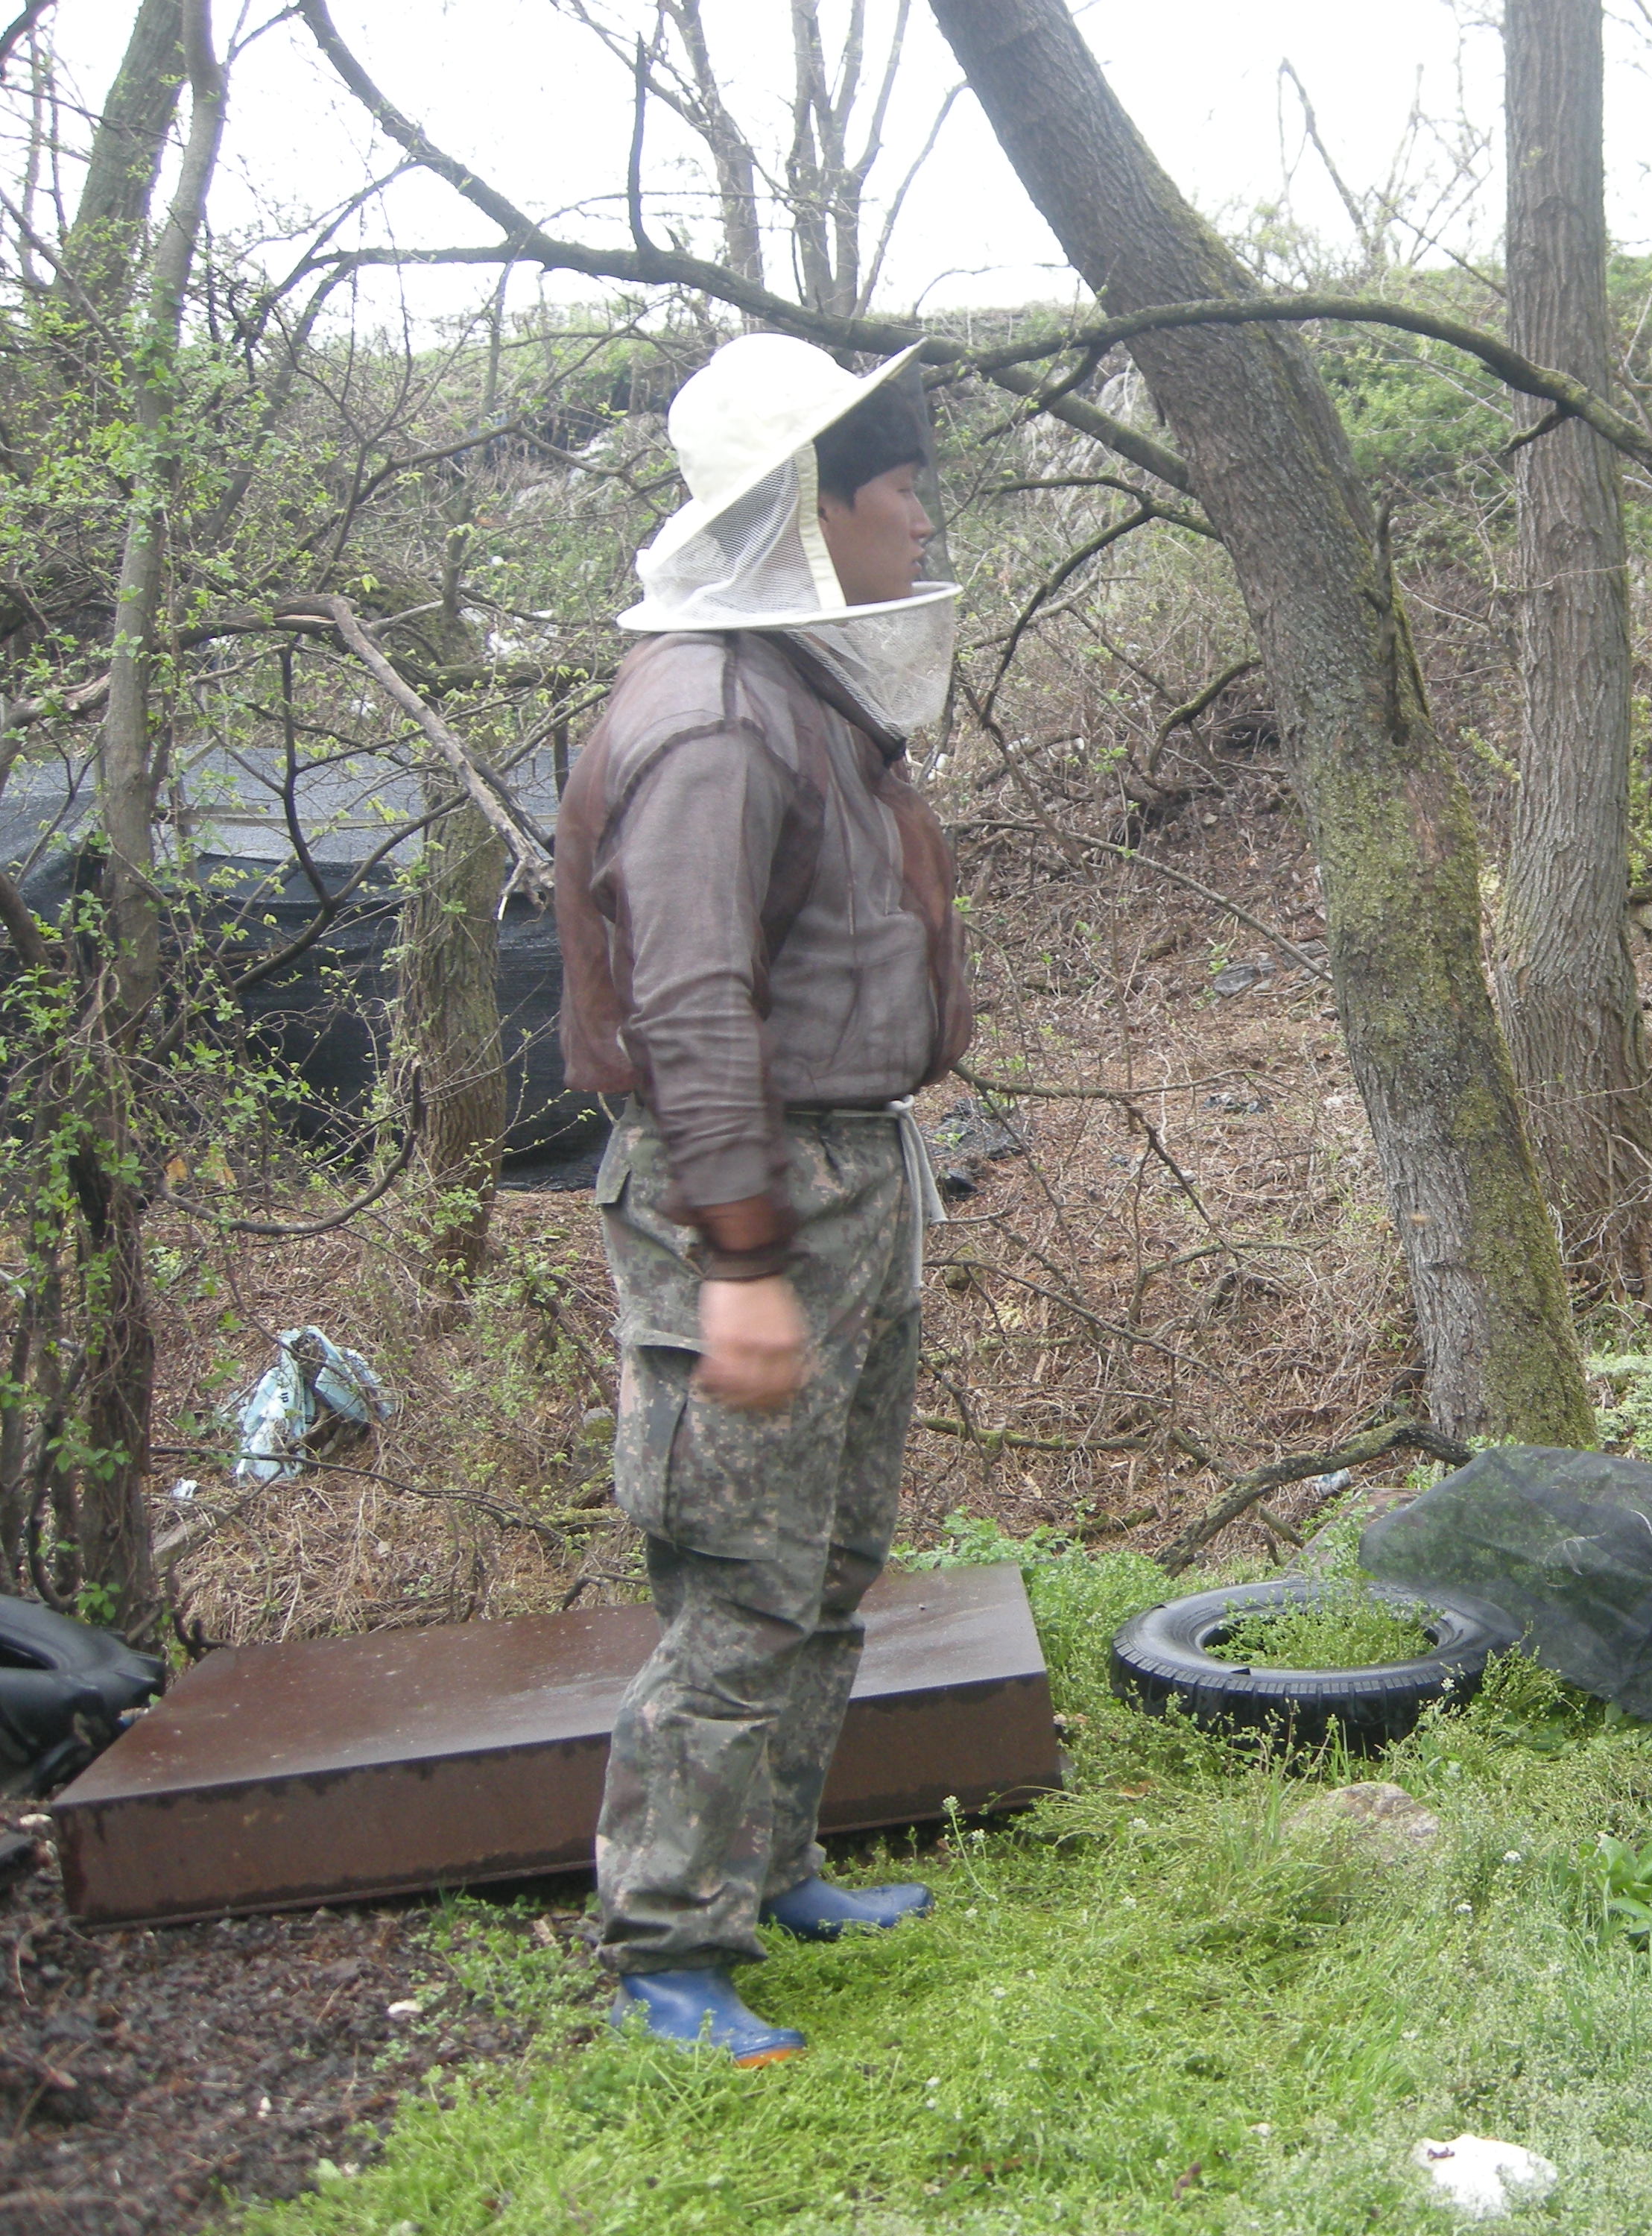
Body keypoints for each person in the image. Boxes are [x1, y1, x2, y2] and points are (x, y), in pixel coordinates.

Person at [556, 333, 975, 2064]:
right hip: (750, 1185)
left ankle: (772, 1857)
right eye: (900, 487)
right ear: (814, 509)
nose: (923, 513)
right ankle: (667, 1936)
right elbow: (690, 1005)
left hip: (841, 1166)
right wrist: (739, 1255)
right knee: (738, 1570)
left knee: (827, 1550)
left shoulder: (796, 686)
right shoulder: (716, 717)